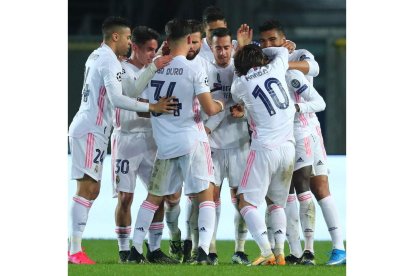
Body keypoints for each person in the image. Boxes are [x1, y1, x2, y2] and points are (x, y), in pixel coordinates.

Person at [68, 16, 176, 265]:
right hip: (91, 129)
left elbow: (132, 89)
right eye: (127, 38)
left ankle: (75, 248)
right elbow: (118, 100)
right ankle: (74, 249)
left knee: (91, 190)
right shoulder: (108, 61)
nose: (129, 42)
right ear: (115, 37)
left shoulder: (100, 57)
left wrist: (154, 64)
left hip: (94, 130)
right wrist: (152, 106)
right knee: (87, 189)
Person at [127, 18, 225, 265]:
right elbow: (210, 108)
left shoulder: (155, 67)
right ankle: (203, 251)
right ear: (190, 40)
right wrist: (224, 103)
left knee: (153, 198)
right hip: (192, 141)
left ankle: (135, 250)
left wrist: (158, 110)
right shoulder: (194, 69)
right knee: (205, 196)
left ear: (167, 42)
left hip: (165, 145)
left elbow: (137, 105)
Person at [259, 19, 346, 265]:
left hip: (305, 129)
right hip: (282, 133)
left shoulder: (298, 55)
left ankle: (332, 248)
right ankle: (297, 251)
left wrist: (282, 60)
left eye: (273, 40)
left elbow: (314, 68)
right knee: (288, 190)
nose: (268, 45)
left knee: (316, 187)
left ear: (283, 40)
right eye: (263, 41)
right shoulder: (263, 60)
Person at [111, 25, 178, 264]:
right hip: (126, 139)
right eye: (148, 49)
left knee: (157, 194)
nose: (152, 54)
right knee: (125, 197)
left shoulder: (159, 70)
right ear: (134, 47)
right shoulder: (119, 69)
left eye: (154, 49)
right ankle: (123, 249)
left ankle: (155, 248)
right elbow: (125, 97)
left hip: (151, 140)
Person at [231, 44, 295, 266]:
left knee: (245, 203)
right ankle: (280, 254)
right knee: (277, 203)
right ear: (262, 59)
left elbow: (237, 93)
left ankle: (266, 251)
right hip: (288, 147)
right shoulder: (277, 67)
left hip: (264, 148)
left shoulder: (240, 84)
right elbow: (282, 52)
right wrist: (265, 50)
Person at [200, 27, 251, 265]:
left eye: (226, 48)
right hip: (212, 145)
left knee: (241, 199)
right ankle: (210, 250)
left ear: (232, 46)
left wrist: (246, 112)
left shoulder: (241, 68)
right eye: (217, 48)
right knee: (210, 197)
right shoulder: (204, 70)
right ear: (211, 48)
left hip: (240, 143)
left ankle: (240, 249)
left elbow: (255, 100)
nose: (222, 52)